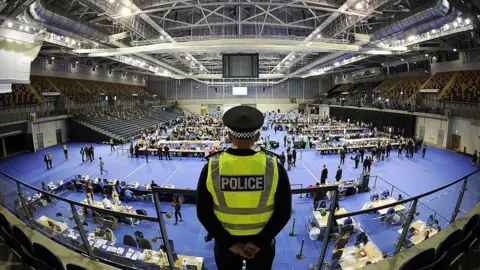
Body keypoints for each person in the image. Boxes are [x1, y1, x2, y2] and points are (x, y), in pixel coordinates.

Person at [196, 105, 292, 270]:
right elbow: (284, 212)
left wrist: (229, 243)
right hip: (261, 246)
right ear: (257, 137)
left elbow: (203, 213)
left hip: (226, 246)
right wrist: (258, 242)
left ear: (229, 136)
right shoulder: (274, 166)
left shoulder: (212, 167)